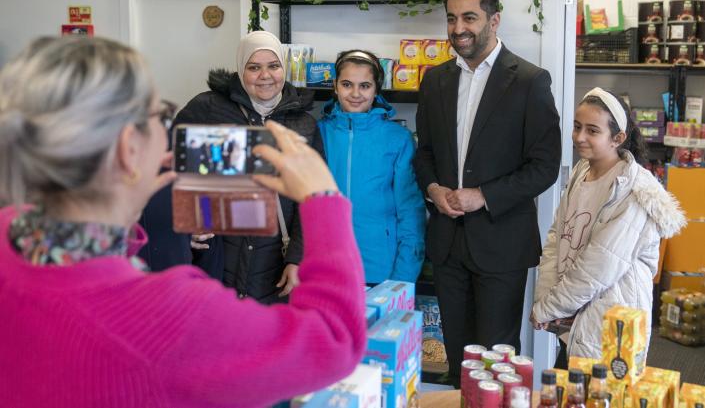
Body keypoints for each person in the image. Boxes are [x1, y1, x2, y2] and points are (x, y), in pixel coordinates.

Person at [0, 36, 366, 407]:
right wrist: (323, 199)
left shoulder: (10, 234)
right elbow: (335, 343)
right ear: (129, 148)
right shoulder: (171, 317)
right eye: (161, 115)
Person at [413, 0, 562, 387]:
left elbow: (546, 165)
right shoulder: (434, 80)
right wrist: (433, 190)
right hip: (447, 242)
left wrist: (484, 196)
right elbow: (423, 153)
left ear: (494, 20)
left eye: (469, 17)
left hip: (502, 243)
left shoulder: (531, 81)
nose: (458, 27)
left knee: (497, 359)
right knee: (458, 355)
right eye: (451, 18)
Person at [140, 30, 323, 303]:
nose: (265, 76)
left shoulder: (304, 123)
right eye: (254, 67)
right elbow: (169, 173)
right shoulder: (206, 109)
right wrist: (187, 225)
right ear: (240, 71)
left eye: (273, 66)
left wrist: (296, 258)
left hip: (274, 261)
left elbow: (312, 196)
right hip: (217, 256)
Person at [532, 88, 686, 364]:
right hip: (574, 316)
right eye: (577, 127)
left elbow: (598, 266)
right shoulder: (582, 172)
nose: (580, 137)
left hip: (611, 323)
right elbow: (558, 237)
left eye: (592, 130)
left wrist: (549, 307)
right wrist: (547, 299)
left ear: (618, 138)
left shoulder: (635, 192)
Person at [318, 50, 425, 285]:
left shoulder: (398, 139)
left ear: (376, 89)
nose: (355, 94)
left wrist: (403, 279)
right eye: (347, 84)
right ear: (335, 86)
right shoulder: (317, 133)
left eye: (365, 86)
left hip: (380, 273)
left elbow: (410, 212)